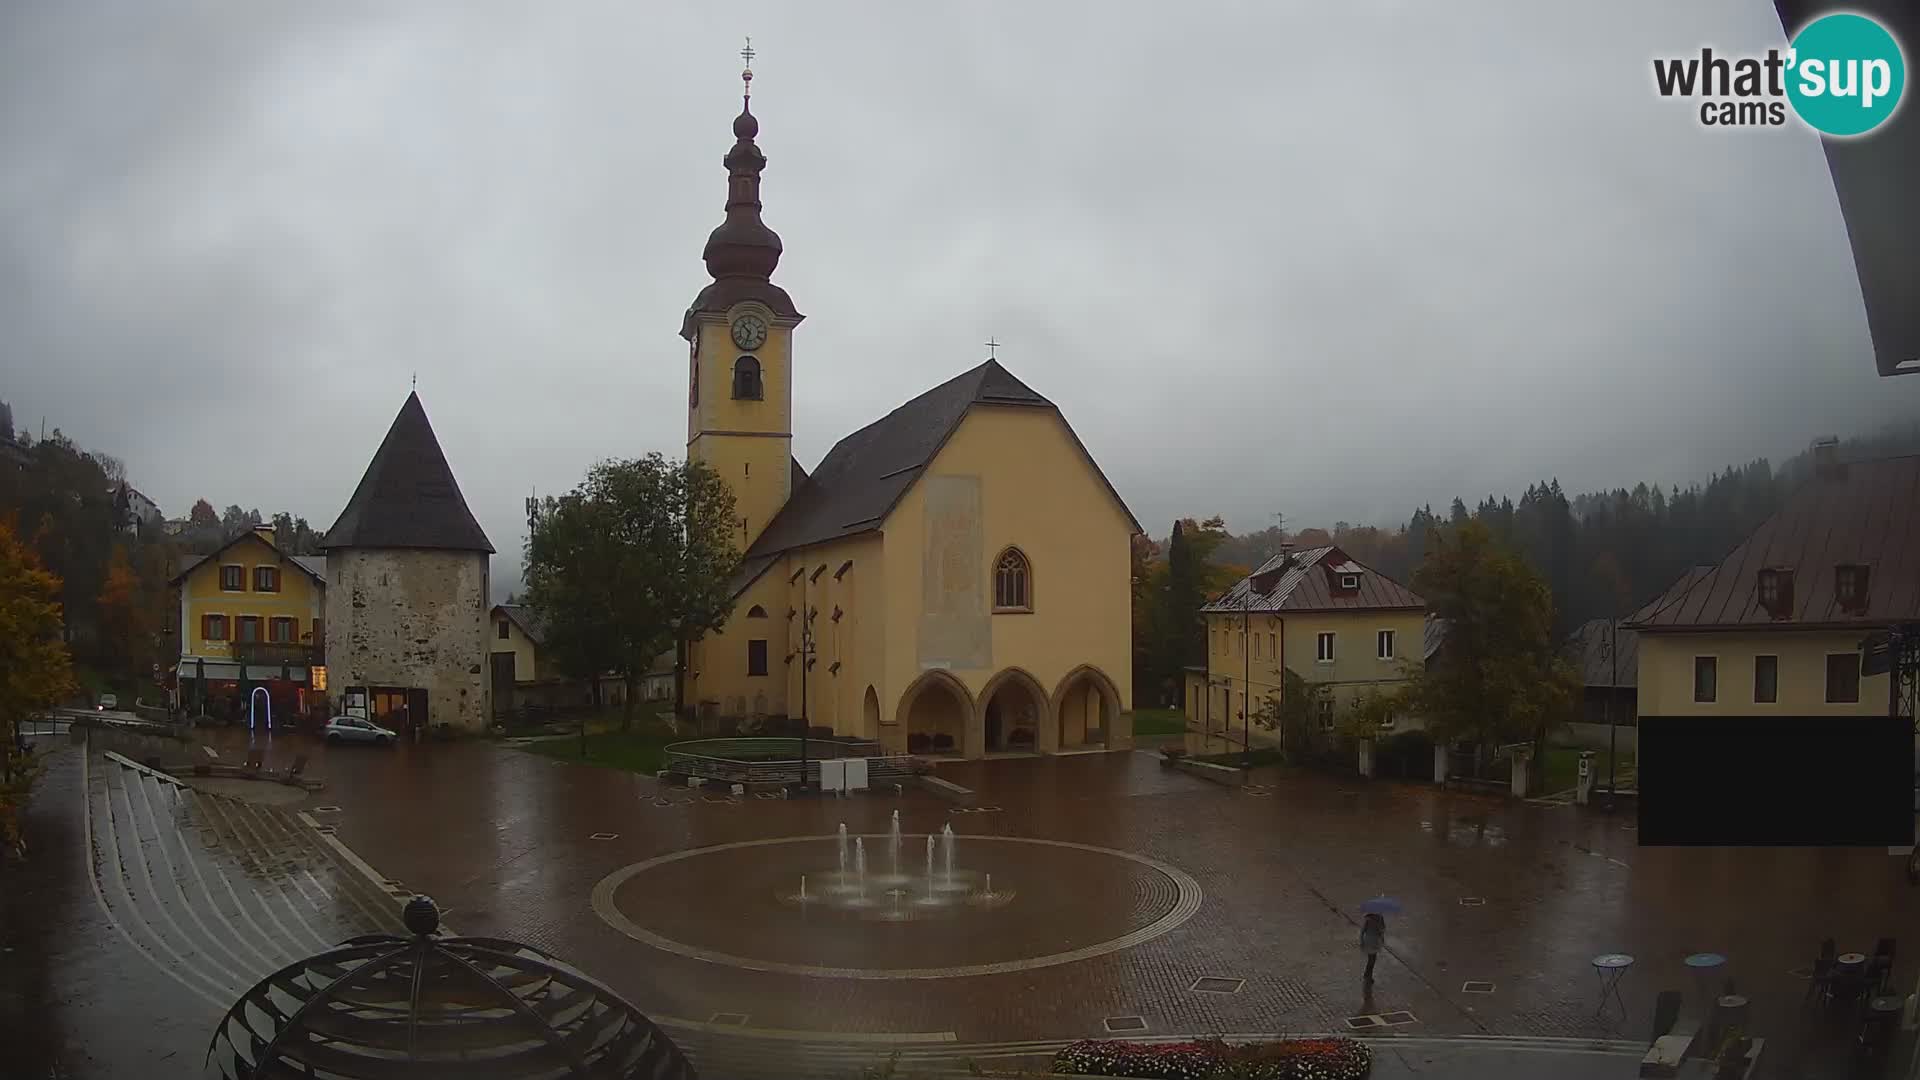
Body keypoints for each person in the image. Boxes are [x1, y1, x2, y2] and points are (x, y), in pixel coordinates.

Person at [1360, 913, 1386, 983]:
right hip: (1373, 942)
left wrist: (1361, 941)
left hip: (1369, 941)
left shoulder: (1368, 918)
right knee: (1372, 960)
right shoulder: (1380, 918)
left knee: (1371, 959)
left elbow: (1362, 931)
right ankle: (1368, 976)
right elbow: (1382, 930)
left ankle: (1367, 975)